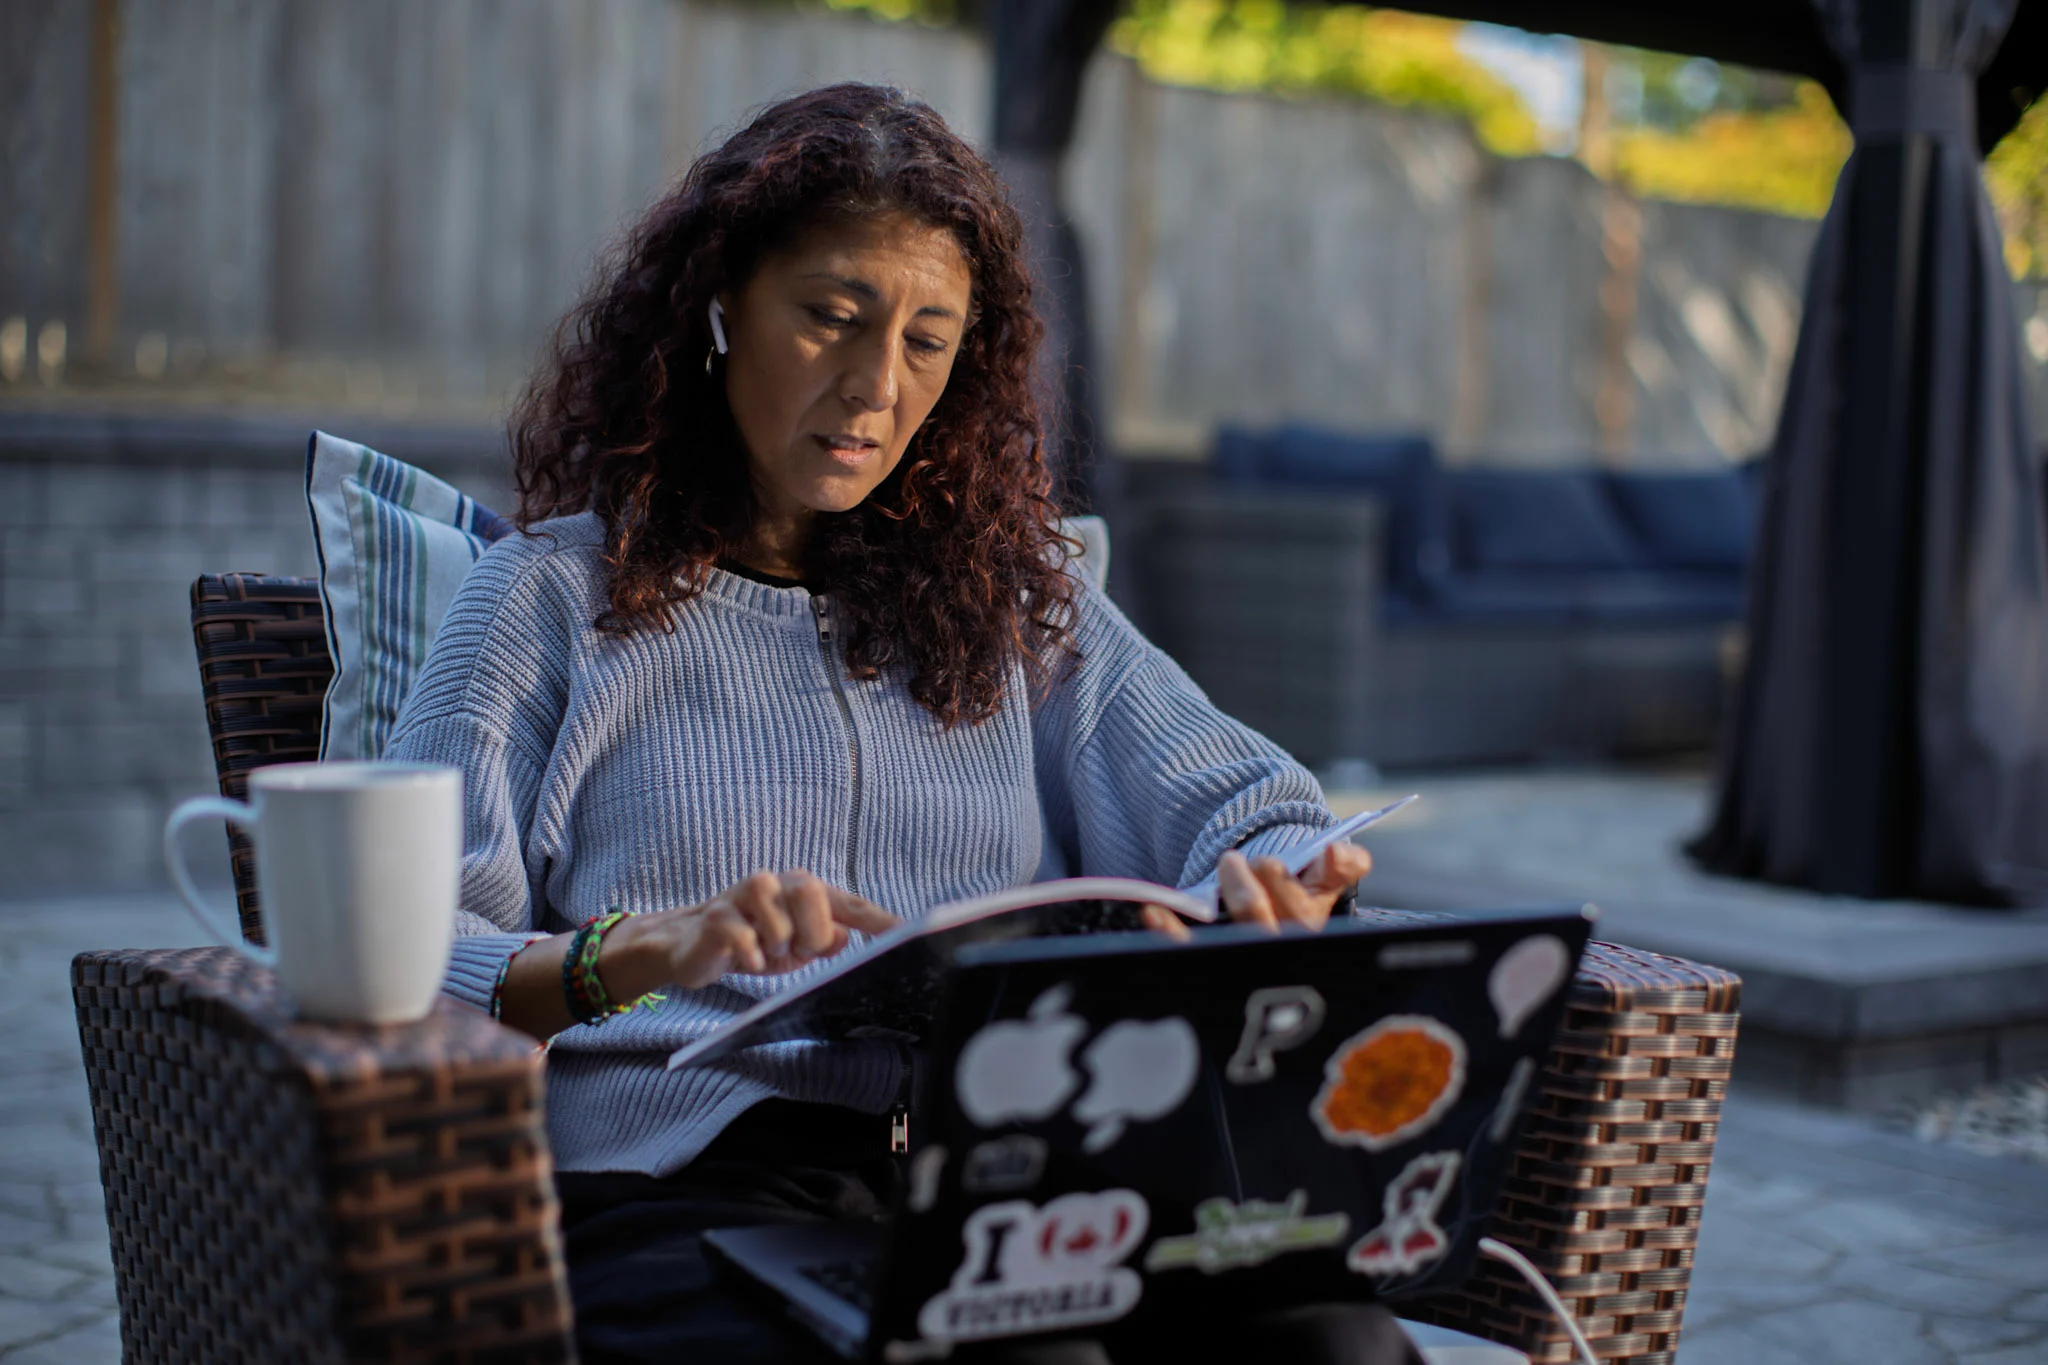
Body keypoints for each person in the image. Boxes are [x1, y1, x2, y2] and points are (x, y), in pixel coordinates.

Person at [385, 83, 1410, 1365]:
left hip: (1001, 1182)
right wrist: (635, 953)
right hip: (673, 1195)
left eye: (928, 340)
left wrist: (1276, 878)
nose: (875, 386)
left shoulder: (1014, 605)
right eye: (831, 318)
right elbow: (408, 949)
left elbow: (1244, 796)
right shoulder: (548, 600)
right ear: (716, 307)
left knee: (1335, 1344)